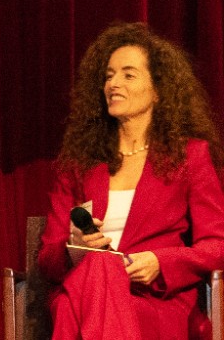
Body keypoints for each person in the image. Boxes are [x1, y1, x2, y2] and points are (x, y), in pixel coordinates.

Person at [38, 22, 224, 340]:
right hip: (87, 291)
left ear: (158, 90)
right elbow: (48, 260)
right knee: (98, 267)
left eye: (128, 74)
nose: (113, 84)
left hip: (153, 300)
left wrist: (161, 261)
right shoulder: (78, 165)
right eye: (108, 76)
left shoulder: (190, 156)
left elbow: (216, 246)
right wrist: (75, 249)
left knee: (73, 306)